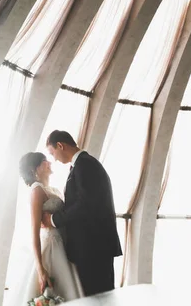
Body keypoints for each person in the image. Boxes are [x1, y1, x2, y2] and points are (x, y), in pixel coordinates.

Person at [42, 130, 122, 297]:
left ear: (60, 145)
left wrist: (54, 220)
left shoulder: (86, 165)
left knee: (98, 296)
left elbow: (85, 204)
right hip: (92, 245)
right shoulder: (83, 165)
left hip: (94, 246)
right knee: (97, 296)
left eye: (53, 153)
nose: (54, 159)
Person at [12, 151, 83, 304]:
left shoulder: (52, 189)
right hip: (50, 248)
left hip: (62, 245)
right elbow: (34, 232)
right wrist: (40, 269)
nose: (50, 162)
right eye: (45, 161)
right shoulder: (37, 190)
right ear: (34, 169)